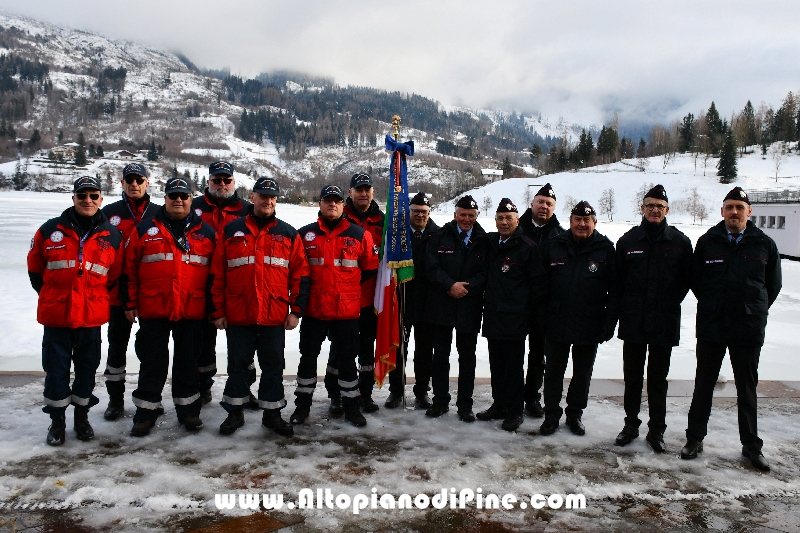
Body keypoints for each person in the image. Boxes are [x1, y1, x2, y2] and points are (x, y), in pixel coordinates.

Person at [681, 187, 781, 472]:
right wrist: (715, 304)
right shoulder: (708, 241)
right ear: (722, 211)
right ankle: (694, 439)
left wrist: (751, 308)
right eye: (729, 207)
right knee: (704, 384)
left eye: (739, 207)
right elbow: (696, 280)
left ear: (749, 212)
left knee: (747, 388)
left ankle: (751, 446)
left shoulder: (764, 244)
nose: (734, 212)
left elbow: (772, 287)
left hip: (748, 327)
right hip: (713, 324)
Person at [27, 176, 124, 445]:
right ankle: (57, 422)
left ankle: (81, 418)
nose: (88, 200)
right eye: (82, 195)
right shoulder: (49, 230)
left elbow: (113, 276)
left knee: (86, 370)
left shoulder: (112, 236)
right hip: (57, 316)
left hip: (90, 317)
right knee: (56, 371)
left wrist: (91, 297)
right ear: (73, 199)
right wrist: (52, 295)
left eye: (93, 196)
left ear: (101, 199)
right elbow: (36, 269)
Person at [210, 177, 310, 437]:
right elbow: (217, 273)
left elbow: (300, 275)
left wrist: (296, 310)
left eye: (272, 196)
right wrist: (218, 311)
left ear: (276, 200)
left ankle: (272, 414)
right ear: (252, 197)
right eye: (262, 195)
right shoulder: (231, 230)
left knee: (273, 366)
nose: (267, 200)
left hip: (274, 315)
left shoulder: (288, 233)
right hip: (239, 313)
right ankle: (234, 413)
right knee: (238, 365)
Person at [124, 177, 217, 436]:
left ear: (191, 199)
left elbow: (215, 275)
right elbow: (129, 270)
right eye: (173, 195)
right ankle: (146, 412)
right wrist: (130, 303)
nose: (178, 200)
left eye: (184, 196)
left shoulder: (207, 233)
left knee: (188, 363)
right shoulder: (144, 230)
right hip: (154, 307)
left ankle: (188, 411)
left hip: (192, 309)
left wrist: (213, 308)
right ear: (164, 198)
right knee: (152, 361)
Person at [291, 185, 379, 427]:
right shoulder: (304, 234)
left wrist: (346, 288)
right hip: (314, 311)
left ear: (343, 205)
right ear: (319, 204)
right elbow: (298, 270)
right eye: (327, 200)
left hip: (346, 312)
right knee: (307, 361)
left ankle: (352, 408)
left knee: (348, 362)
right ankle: (302, 407)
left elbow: (370, 268)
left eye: (337, 201)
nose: (332, 204)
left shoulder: (360, 234)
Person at [614, 185, 692, 453]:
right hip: (634, 320)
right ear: (642, 208)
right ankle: (631, 425)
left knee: (658, 380)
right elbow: (619, 281)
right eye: (650, 205)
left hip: (663, 321)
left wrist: (666, 303)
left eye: (659, 206)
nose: (654, 210)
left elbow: (685, 282)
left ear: (667, 210)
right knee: (632, 377)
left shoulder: (680, 243)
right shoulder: (627, 242)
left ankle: (656, 430)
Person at [539, 201, 617, 437]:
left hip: (589, 320)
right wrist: (541, 316)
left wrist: (609, 322)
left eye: (586, 220)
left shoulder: (605, 248)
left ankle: (575, 414)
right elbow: (541, 284)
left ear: (594, 222)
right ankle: (551, 414)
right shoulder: (555, 244)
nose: (581, 224)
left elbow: (615, 290)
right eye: (577, 220)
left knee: (582, 372)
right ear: (570, 221)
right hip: (556, 318)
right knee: (553, 371)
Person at [476, 199, 547, 431]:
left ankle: (515, 410)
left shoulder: (527, 247)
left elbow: (538, 287)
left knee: (513, 367)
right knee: (496, 364)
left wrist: (530, 315)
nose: (504, 222)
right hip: (494, 314)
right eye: (500, 218)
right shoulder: (492, 243)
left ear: (518, 219)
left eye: (509, 218)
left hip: (515, 317)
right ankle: (499, 404)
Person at [100, 162, 160, 420]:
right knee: (116, 348)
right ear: (122, 183)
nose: (134, 184)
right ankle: (115, 400)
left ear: (148, 183)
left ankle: (150, 399)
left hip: (149, 294)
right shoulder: (108, 213)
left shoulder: (159, 213)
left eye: (139, 180)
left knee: (151, 349)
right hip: (115, 295)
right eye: (129, 180)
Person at [323, 173, 385, 414]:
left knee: (366, 349)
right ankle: (335, 395)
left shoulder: (382, 220)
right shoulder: (339, 216)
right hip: (340, 300)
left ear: (372, 192)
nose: (363, 193)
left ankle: (365, 394)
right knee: (339, 350)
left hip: (370, 299)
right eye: (358, 189)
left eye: (367, 189)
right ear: (350, 193)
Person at [424, 194, 489, 422]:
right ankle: (440, 401)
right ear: (455, 215)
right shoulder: (440, 236)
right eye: (463, 214)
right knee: (440, 356)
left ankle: (465, 405)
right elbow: (430, 268)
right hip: (442, 304)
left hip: (469, 306)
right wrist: (449, 285)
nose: (466, 219)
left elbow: (486, 273)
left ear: (476, 216)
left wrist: (466, 288)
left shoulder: (484, 240)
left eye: (471, 215)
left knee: (467, 358)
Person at [191, 161, 252, 405]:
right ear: (208, 182)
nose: (222, 184)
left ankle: (244, 388)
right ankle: (202, 386)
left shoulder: (246, 209)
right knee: (202, 343)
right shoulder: (192, 206)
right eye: (217, 180)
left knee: (242, 343)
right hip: (198, 283)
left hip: (237, 285)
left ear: (234, 182)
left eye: (227, 180)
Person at [385, 192, 438, 409]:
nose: (419, 215)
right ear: (409, 212)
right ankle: (396, 391)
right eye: (415, 211)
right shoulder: (398, 235)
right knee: (398, 349)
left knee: (425, 351)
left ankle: (422, 391)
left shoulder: (438, 234)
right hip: (402, 299)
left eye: (423, 212)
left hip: (427, 301)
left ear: (429, 213)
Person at [518, 183, 564, 417]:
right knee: (513, 353)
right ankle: (511, 397)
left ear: (554, 208)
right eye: (541, 202)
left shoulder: (560, 235)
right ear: (532, 204)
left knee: (538, 354)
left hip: (544, 304)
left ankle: (532, 397)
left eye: (549, 204)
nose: (544, 207)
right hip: (516, 301)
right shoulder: (517, 227)